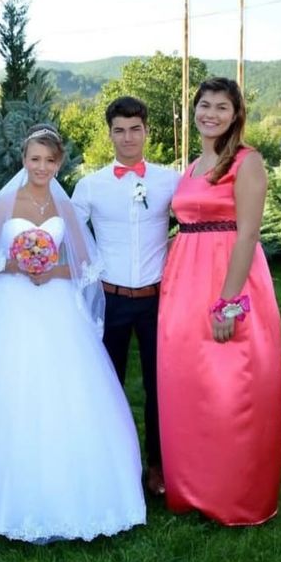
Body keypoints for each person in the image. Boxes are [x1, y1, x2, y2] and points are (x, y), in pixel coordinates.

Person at [0, 128, 147, 540]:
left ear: (59, 164)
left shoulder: (64, 207)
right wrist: (19, 264)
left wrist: (50, 269)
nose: (41, 167)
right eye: (35, 159)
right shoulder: (3, 204)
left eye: (49, 161)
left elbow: (85, 264)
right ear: (24, 159)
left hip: (56, 304)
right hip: (9, 302)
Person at [158, 78, 281, 526]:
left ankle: (234, 496)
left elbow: (247, 235)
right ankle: (191, 489)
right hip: (184, 286)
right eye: (205, 105)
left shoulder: (247, 162)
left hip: (230, 282)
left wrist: (228, 303)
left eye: (221, 107)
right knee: (188, 386)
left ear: (235, 115)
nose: (211, 113)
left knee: (231, 387)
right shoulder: (193, 166)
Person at [72, 96, 180, 495]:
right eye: (120, 130)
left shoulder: (171, 181)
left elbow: (197, 221)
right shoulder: (90, 185)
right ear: (110, 134)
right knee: (107, 385)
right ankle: (111, 464)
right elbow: (67, 235)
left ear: (147, 131)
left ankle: (158, 466)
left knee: (159, 387)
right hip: (109, 299)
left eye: (135, 129)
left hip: (158, 300)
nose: (128, 137)